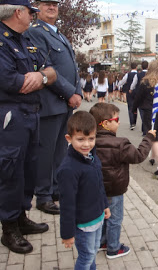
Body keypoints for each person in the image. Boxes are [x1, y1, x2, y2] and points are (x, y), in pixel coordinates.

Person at [0, 0, 57, 253]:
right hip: (11, 116)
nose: (33, 16)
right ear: (18, 12)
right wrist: (37, 78)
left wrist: (42, 77)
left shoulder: (23, 41)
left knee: (29, 170)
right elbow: (12, 82)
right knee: (11, 172)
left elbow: (49, 72)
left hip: (31, 114)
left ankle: (21, 216)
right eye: (30, 12)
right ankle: (8, 228)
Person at [25, 0, 83, 215]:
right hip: (49, 103)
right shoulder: (36, 33)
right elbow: (45, 70)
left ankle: (56, 189)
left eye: (55, 4)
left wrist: (76, 91)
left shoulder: (58, 34)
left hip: (64, 103)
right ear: (36, 8)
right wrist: (70, 93)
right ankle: (43, 195)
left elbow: (72, 69)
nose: (52, 7)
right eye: (47, 4)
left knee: (60, 150)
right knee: (45, 152)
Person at [89, 103, 155, 259]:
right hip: (115, 189)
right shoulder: (120, 144)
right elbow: (139, 156)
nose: (119, 122)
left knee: (103, 217)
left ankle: (102, 242)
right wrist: (149, 138)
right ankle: (113, 248)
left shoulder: (89, 142)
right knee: (114, 219)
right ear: (105, 123)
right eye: (116, 119)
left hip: (96, 188)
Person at [57, 111, 111, 269]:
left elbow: (99, 184)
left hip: (97, 217)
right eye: (80, 139)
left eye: (91, 139)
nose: (86, 144)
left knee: (93, 252)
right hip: (83, 225)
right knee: (86, 256)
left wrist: (105, 205)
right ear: (69, 138)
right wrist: (67, 234)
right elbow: (67, 204)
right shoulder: (68, 169)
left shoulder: (92, 157)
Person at [132, 60, 158, 174]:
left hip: (149, 112)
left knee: (154, 138)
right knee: (157, 135)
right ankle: (152, 158)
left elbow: (138, 98)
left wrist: (134, 109)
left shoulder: (145, 82)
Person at [119, 63, 138, 129]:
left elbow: (122, 81)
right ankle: (135, 121)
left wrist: (119, 85)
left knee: (130, 107)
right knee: (135, 108)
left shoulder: (128, 74)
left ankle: (132, 123)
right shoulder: (139, 74)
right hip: (137, 93)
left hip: (129, 92)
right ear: (136, 67)